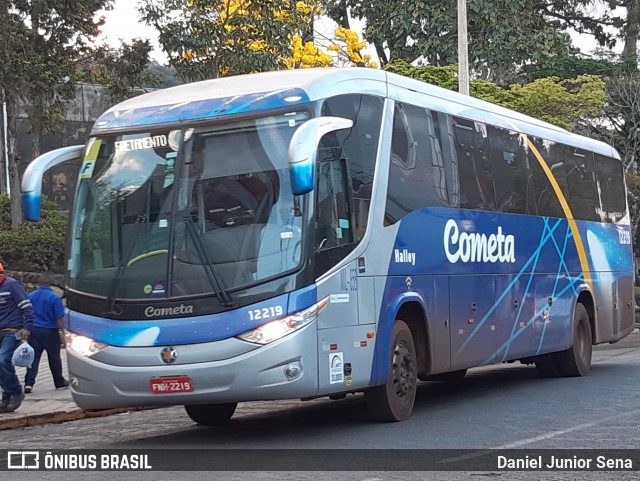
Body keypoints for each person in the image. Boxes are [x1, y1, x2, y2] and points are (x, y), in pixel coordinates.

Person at [23, 272, 68, 393]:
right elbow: (59, 317)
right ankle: (59, 382)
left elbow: (25, 312)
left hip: (34, 330)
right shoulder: (55, 298)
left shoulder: (31, 296)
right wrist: (63, 332)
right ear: (51, 283)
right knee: (54, 358)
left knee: (34, 357)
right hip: (50, 331)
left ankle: (28, 383)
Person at [0, 262, 33, 413]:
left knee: (3, 359)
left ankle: (16, 391)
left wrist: (27, 328)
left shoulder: (12, 285)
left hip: (12, 330)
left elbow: (27, 307)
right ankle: (7, 396)